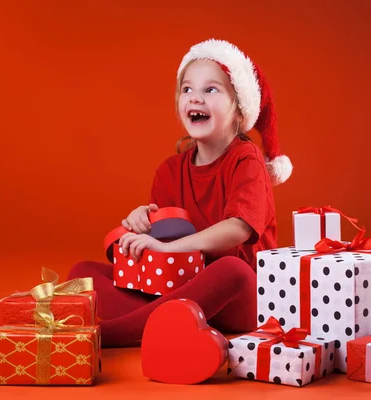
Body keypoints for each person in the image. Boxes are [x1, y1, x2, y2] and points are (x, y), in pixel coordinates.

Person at [68, 38, 293, 347]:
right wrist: (141, 223)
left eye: (210, 89)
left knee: (232, 269)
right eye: (187, 89)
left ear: (239, 108)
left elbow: (238, 229)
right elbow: (163, 240)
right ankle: (175, 321)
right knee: (82, 273)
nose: (195, 98)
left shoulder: (247, 160)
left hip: (240, 297)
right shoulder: (169, 171)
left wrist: (168, 250)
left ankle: (114, 334)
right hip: (183, 288)